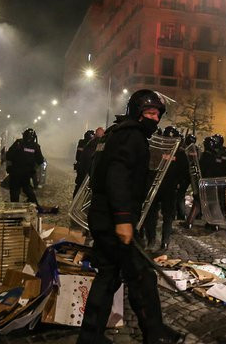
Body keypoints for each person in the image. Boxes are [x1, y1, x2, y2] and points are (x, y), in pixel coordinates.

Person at [78, 89, 184, 344]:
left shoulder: (115, 132)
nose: (155, 119)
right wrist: (123, 218)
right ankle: (155, 334)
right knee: (142, 276)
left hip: (103, 215)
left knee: (108, 275)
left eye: (158, 114)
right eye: (150, 113)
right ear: (137, 111)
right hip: (115, 219)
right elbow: (116, 176)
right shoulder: (131, 136)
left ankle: (90, 337)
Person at [141, 125, 187, 251]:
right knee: (152, 214)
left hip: (169, 188)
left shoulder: (180, 153)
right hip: (157, 187)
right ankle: (152, 239)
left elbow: (184, 171)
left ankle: (164, 241)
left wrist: (178, 183)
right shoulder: (157, 150)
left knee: (168, 215)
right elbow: (150, 166)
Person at [184, 134, 226, 228]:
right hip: (217, 182)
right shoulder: (220, 154)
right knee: (213, 203)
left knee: (199, 202)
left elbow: (203, 168)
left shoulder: (209, 155)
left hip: (208, 182)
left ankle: (190, 222)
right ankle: (213, 224)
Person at [5, 128, 45, 206]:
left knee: (14, 191)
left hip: (15, 172)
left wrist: (10, 166)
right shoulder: (35, 146)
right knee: (27, 189)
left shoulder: (18, 143)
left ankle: (14, 206)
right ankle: (36, 205)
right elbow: (40, 160)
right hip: (26, 173)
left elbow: (8, 155)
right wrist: (34, 168)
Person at [74, 127, 104, 197]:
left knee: (78, 187)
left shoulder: (88, 143)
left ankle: (75, 199)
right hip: (89, 171)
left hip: (82, 169)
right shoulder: (100, 144)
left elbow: (79, 157)